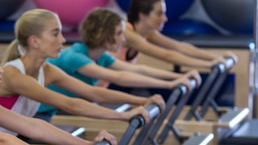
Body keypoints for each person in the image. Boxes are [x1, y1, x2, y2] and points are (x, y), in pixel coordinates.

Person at [36, 8, 198, 120]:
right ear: (104, 35)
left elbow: (136, 69)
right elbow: (116, 80)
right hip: (37, 112)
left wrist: (178, 77)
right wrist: (167, 86)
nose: (123, 39)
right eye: (119, 33)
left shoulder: (101, 56)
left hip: (55, 111)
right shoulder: (75, 57)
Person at [113, 0, 237, 68]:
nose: (165, 19)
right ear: (143, 15)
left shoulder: (147, 33)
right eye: (159, 13)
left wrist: (216, 57)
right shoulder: (125, 33)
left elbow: (180, 47)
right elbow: (167, 56)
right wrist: (208, 65)